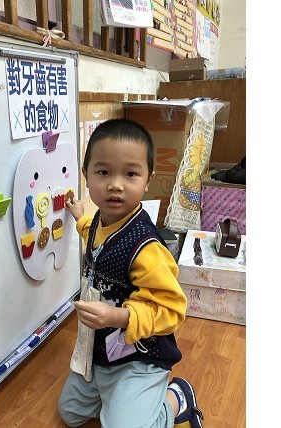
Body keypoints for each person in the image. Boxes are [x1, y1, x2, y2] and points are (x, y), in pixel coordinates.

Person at [58, 118, 204, 428]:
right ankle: (121, 399)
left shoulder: (146, 248)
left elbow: (172, 310)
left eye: (130, 174)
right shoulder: (101, 220)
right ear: (86, 176)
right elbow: (94, 236)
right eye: (103, 172)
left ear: (148, 179)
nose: (116, 184)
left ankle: (176, 398)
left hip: (141, 357)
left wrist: (118, 316)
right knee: (70, 413)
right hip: (102, 351)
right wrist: (80, 216)